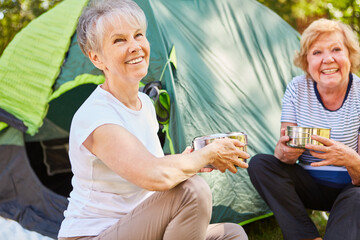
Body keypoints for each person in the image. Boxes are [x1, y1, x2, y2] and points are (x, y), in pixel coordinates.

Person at [57, 0, 249, 239]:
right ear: (97, 59)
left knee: (231, 234)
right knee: (193, 190)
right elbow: (154, 174)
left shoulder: (145, 103)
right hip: (96, 234)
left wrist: (190, 161)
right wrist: (208, 155)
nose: (135, 46)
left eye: (138, 35)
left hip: (138, 225)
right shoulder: (96, 116)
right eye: (119, 40)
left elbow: (151, 163)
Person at [247, 18, 360, 240]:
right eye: (317, 52)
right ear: (306, 61)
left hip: (352, 188)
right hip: (310, 184)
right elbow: (284, 156)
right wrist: (284, 153)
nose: (328, 59)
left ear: (350, 55)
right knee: (261, 164)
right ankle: (307, 236)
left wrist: (349, 158)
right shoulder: (297, 88)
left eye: (336, 49)